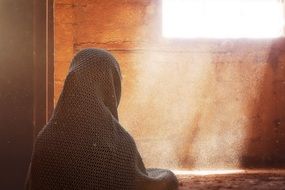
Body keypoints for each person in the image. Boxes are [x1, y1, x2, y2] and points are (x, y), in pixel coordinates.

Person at [26, 48, 178, 190]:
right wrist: (167, 178)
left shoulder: (45, 139)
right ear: (110, 86)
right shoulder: (120, 144)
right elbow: (134, 182)